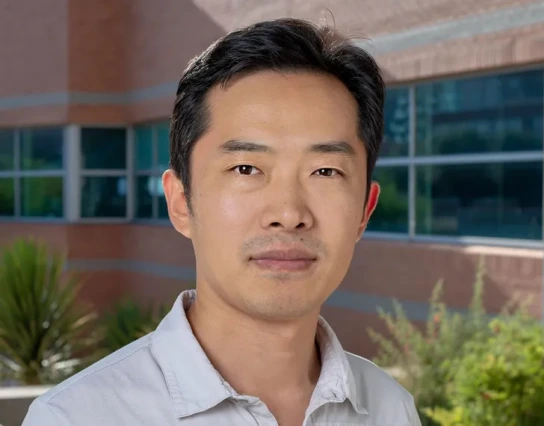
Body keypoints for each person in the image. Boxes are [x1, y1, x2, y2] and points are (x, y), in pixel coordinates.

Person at [23, 18, 421, 426]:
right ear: (180, 202)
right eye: (246, 168)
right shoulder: (78, 417)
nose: (288, 214)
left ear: (364, 210)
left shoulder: (390, 408)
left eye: (325, 171)